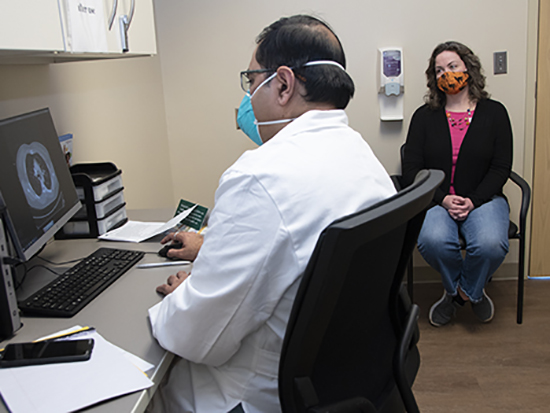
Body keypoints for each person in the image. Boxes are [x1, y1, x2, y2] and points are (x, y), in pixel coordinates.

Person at [147, 15, 397, 413]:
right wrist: (213, 248)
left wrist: (185, 300)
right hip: (340, 380)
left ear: (283, 84)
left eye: (251, 83)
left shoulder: (258, 175)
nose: (248, 101)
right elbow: (300, 244)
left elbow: (197, 338)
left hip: (255, 396)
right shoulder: (361, 157)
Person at [402, 41, 513, 327]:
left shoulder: (495, 113)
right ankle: (467, 290)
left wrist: (473, 200)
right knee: (433, 240)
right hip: (437, 199)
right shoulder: (423, 117)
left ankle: (461, 294)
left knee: (490, 244)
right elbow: (412, 168)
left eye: (452, 67)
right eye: (439, 70)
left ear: (468, 68)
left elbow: (501, 167)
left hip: (483, 199)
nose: (446, 74)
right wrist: (442, 199)